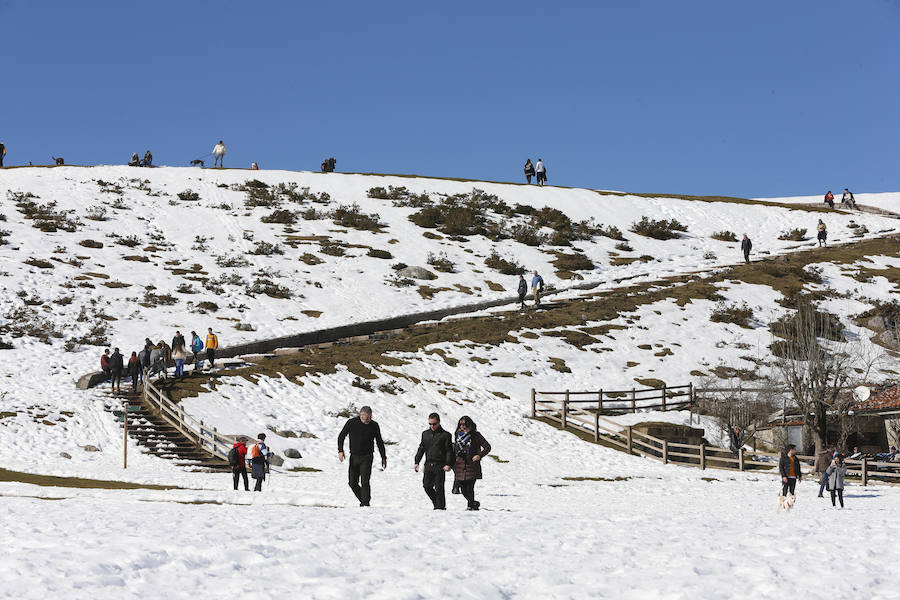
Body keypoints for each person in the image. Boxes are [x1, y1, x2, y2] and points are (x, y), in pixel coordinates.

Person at [337, 406, 387, 507]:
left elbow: (379, 442)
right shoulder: (352, 423)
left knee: (365, 481)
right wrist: (340, 450)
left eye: (369, 417)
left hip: (367, 457)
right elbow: (341, 436)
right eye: (365, 417)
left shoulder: (374, 425)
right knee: (352, 483)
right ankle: (364, 501)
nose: (367, 420)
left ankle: (365, 503)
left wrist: (383, 457)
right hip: (354, 456)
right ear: (361, 415)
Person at [414, 413, 454, 510]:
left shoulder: (446, 435)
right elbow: (421, 448)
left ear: (439, 422)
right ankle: (437, 503)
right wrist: (417, 461)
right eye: (430, 424)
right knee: (426, 486)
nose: (432, 426)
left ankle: (440, 507)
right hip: (428, 464)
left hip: (440, 464)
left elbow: (449, 450)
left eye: (434, 424)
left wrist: (448, 464)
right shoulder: (425, 434)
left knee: (439, 487)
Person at [453, 415, 492, 511]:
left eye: (465, 424)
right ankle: (474, 503)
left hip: (472, 464)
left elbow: (487, 447)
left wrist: (479, 455)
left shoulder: (476, 435)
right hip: (460, 465)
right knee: (462, 489)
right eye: (461, 424)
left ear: (471, 425)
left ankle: (470, 506)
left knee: (470, 487)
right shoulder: (457, 435)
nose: (463, 426)